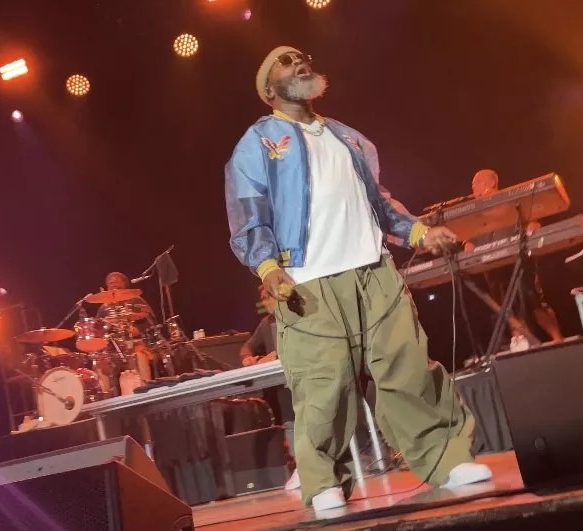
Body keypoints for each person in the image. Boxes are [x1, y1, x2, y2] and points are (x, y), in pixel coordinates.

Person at [224, 46, 491, 510]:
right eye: (285, 61)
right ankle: (323, 480)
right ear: (269, 89)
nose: (299, 62)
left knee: (408, 367)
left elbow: (380, 203)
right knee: (323, 384)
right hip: (308, 282)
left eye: (302, 57)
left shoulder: (345, 136)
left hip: (373, 270)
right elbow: (248, 214)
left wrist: (420, 231)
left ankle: (446, 458)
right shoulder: (258, 141)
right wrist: (268, 267)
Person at [466, 169, 564, 345]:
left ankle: (558, 338)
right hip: (493, 267)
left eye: (478, 183)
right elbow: (469, 241)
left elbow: (532, 221)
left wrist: (531, 228)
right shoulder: (475, 213)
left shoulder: (510, 200)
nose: (473, 188)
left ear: (491, 183)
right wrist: (469, 253)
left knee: (533, 302)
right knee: (507, 308)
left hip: (519, 261)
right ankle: (523, 342)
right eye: (473, 185)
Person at [240, 284, 300, 490]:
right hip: (283, 387)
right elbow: (247, 347)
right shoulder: (266, 323)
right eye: (263, 299)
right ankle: (300, 466)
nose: (265, 302)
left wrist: (276, 355)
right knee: (290, 422)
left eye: (268, 297)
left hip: (302, 377)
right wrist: (248, 358)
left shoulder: (294, 315)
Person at [96, 272, 158, 382]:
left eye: (116, 281)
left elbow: (150, 321)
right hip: (113, 349)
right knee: (100, 364)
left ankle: (145, 386)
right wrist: (105, 328)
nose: (113, 284)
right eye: (110, 283)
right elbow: (98, 330)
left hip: (136, 344)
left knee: (139, 356)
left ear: (125, 283)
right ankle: (107, 392)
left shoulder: (135, 300)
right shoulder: (103, 308)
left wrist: (137, 330)